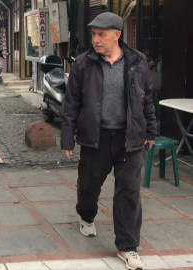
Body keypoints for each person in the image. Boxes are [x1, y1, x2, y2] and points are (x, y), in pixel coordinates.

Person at [61, 12, 156, 270]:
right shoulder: (83, 63)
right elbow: (71, 105)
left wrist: (150, 132)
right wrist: (68, 139)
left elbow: (146, 99)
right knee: (89, 184)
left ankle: (128, 247)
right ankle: (86, 215)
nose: (96, 39)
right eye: (93, 34)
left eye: (101, 34)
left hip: (129, 138)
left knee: (128, 193)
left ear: (117, 35)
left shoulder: (137, 61)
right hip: (96, 137)